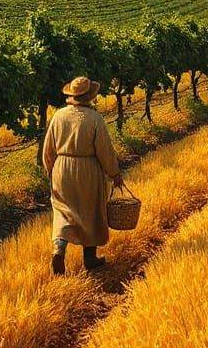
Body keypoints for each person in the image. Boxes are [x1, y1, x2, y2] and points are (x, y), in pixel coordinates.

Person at [43, 76, 124, 275]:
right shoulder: (94, 118)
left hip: (62, 168)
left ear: (71, 95)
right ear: (89, 96)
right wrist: (115, 174)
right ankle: (90, 258)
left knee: (63, 210)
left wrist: (52, 171)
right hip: (88, 168)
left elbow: (48, 150)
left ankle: (59, 248)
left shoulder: (58, 116)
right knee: (91, 210)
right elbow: (104, 150)